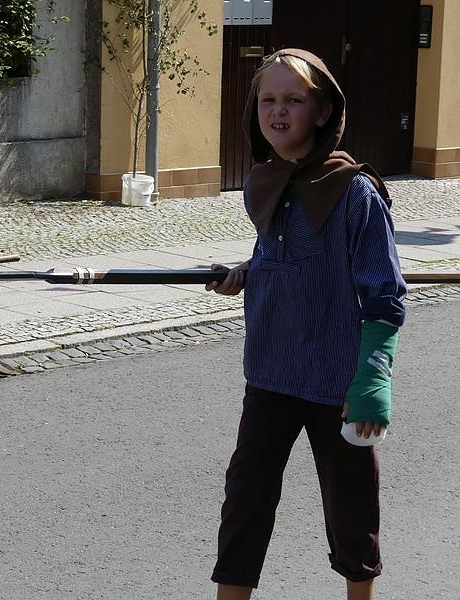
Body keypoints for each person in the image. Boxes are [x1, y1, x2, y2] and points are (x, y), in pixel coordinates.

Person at [205, 49, 406, 600]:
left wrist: (372, 380)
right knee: (245, 501)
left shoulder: (356, 193)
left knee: (350, 508)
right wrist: (244, 274)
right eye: (268, 99)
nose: (278, 111)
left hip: (337, 383)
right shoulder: (264, 183)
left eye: (294, 100)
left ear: (322, 112)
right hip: (269, 374)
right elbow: (278, 256)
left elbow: (385, 294)